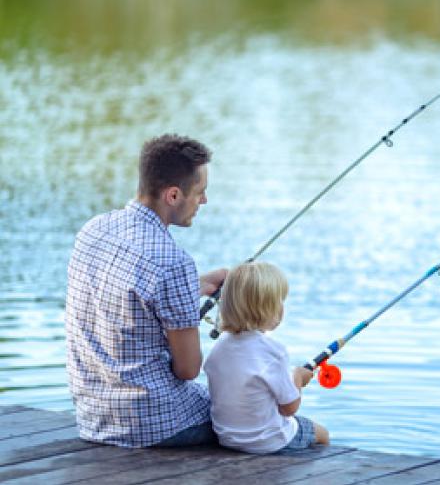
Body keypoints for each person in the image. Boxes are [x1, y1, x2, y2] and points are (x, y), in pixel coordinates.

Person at [65, 133, 227, 447]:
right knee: (258, 415)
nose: (204, 201)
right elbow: (188, 369)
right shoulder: (173, 261)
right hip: (151, 424)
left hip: (92, 417)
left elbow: (128, 301)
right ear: (174, 196)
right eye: (200, 192)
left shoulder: (93, 229)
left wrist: (200, 285)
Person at [203, 262, 330, 454]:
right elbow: (289, 409)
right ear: (268, 309)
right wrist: (298, 377)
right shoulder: (273, 351)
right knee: (322, 434)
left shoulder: (219, 347)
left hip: (226, 438)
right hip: (269, 442)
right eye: (280, 301)